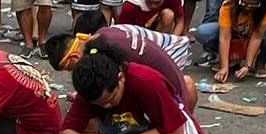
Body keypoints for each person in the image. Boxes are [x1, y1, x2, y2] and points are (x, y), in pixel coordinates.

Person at [59, 46, 215, 134]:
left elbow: (175, 131)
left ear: (121, 78)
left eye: (111, 99)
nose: (107, 107)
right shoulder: (90, 89)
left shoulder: (146, 81)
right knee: (87, 127)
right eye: (100, 104)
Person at [47, 21, 196, 110]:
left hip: (170, 95)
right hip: (172, 78)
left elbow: (118, 92)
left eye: (70, 68)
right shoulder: (102, 35)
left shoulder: (106, 55)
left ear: (74, 58)